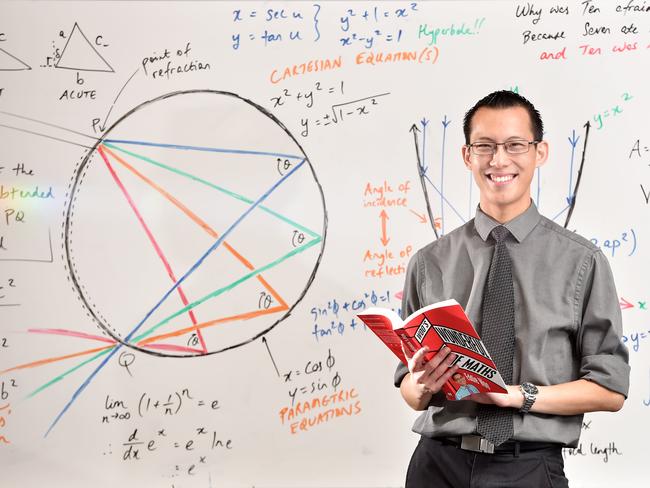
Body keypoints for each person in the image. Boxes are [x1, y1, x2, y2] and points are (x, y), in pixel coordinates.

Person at [395, 90, 630, 487]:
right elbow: (408, 385)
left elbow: (610, 389)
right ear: (467, 156)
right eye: (484, 146)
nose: (498, 160)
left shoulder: (582, 262)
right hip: (436, 466)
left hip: (528, 468)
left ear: (540, 152)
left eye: (515, 145)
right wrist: (419, 384)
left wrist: (520, 396)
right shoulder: (429, 261)